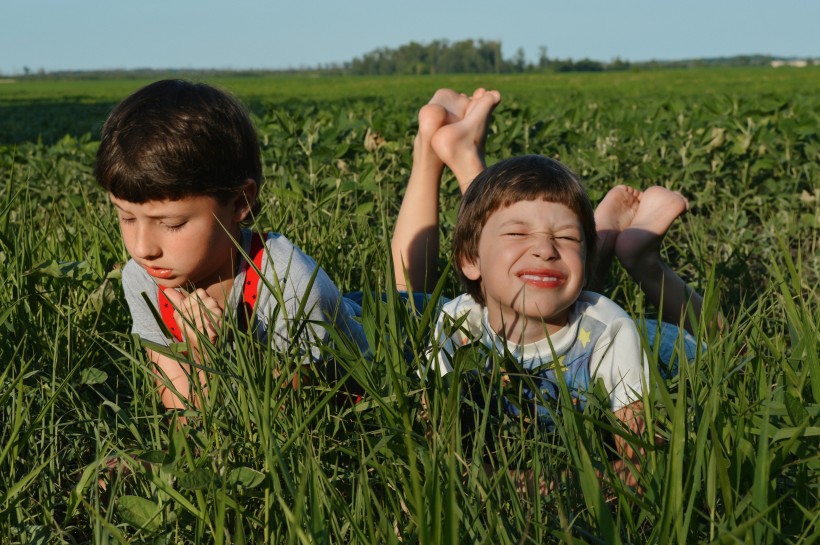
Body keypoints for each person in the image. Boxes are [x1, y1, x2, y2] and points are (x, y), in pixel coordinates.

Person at [392, 88, 705, 488]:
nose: (543, 248)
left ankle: (644, 261)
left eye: (568, 238)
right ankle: (603, 236)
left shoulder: (612, 333)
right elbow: (436, 446)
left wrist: (536, 487)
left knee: (726, 350)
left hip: (651, 349)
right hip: (577, 315)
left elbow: (643, 466)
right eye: (518, 233)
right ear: (469, 262)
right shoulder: (457, 325)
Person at [95, 79, 368, 414]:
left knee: (411, 287)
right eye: (127, 218)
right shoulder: (143, 279)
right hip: (350, 306)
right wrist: (199, 354)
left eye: (172, 224)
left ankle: (434, 146)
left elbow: (277, 427)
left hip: (410, 339)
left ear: (240, 201)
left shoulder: (292, 286)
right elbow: (188, 419)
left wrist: (207, 355)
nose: (142, 248)